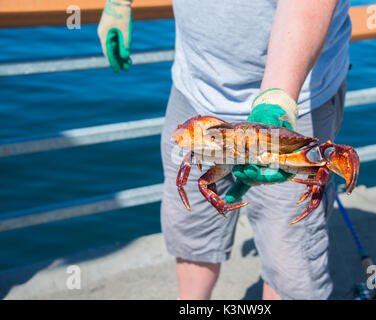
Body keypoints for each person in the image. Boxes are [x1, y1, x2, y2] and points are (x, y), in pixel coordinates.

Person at [98, 0, 351, 300]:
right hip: (196, 96)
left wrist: (278, 100)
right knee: (191, 232)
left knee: (290, 261)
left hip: (296, 100)